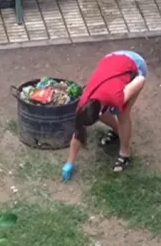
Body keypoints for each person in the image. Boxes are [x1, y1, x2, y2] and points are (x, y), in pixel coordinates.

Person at [62, 50, 147, 181]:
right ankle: (117, 131)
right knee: (105, 113)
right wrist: (69, 162)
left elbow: (141, 80)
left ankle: (125, 152)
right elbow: (78, 132)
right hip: (111, 60)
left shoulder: (116, 97)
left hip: (134, 64)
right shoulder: (83, 102)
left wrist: (127, 92)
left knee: (123, 114)